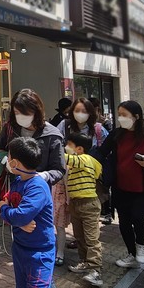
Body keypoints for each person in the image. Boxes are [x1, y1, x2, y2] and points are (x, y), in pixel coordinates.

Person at [0, 88, 64, 288]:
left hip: (38, 196)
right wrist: (4, 161)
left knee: (40, 241)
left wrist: (43, 176)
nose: (20, 116)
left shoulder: (52, 134)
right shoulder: (10, 128)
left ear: (36, 111)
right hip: (16, 191)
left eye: (24, 112)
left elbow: (59, 169)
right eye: (16, 112)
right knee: (21, 242)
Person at [0, 137, 56, 288]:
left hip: (39, 254)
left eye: (9, 156)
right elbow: (10, 203)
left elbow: (19, 214)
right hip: (21, 249)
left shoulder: (37, 186)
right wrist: (14, 216)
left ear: (16, 162)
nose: (7, 160)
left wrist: (5, 210)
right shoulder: (19, 180)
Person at [94, 100, 144, 269]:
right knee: (124, 221)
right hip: (120, 186)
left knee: (139, 218)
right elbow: (101, 152)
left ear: (136, 116)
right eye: (119, 114)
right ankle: (131, 254)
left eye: (124, 115)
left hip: (143, 187)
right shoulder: (116, 134)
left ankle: (141, 247)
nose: (121, 118)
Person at [55, 98, 109, 261]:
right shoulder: (64, 126)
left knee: (90, 230)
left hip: (89, 186)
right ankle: (84, 260)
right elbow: (56, 145)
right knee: (76, 226)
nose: (80, 114)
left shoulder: (98, 129)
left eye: (84, 111)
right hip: (67, 181)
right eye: (77, 110)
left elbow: (106, 151)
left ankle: (93, 265)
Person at [64, 132, 103, 287]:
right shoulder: (76, 163)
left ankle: (95, 270)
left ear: (79, 149)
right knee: (79, 236)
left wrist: (54, 150)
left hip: (88, 204)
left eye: (69, 145)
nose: (67, 147)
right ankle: (84, 262)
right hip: (76, 203)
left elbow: (67, 159)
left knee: (91, 239)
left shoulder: (85, 159)